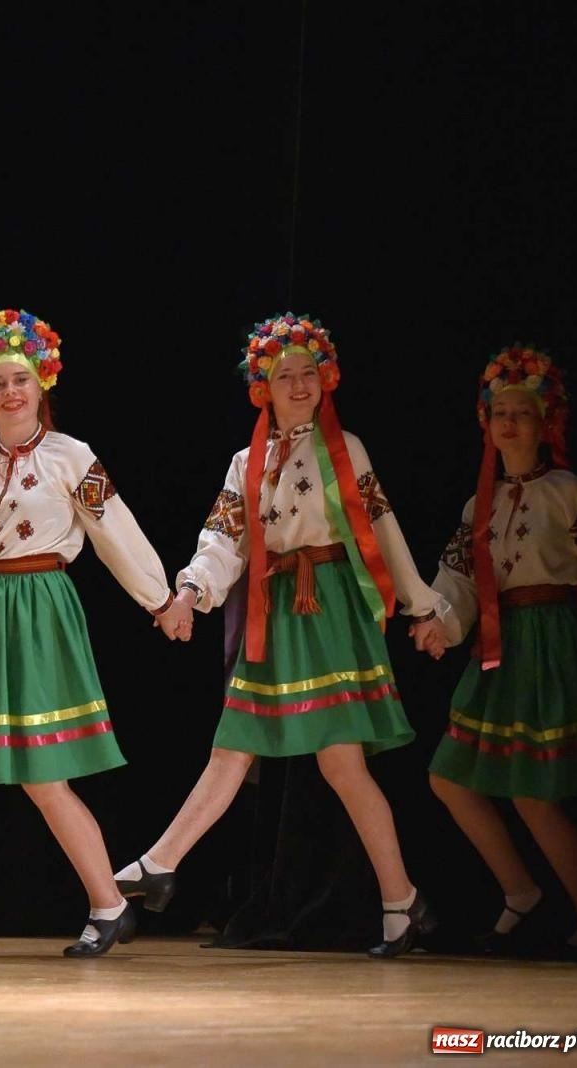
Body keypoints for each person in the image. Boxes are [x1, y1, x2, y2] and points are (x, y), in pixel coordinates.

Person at [115, 312, 448, 958]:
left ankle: (401, 901)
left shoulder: (345, 450)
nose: (296, 385)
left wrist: (423, 607)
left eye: (306, 374)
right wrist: (190, 593)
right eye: (282, 376)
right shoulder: (248, 461)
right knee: (236, 746)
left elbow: (381, 529)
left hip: (327, 614)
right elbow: (224, 539)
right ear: (262, 388)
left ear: (325, 380)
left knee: (342, 766)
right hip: (275, 616)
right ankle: (163, 861)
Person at [0, 309, 177, 957]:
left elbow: (116, 531)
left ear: (42, 384)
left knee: (42, 774)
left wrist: (160, 598)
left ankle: (107, 905)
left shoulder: (73, 458)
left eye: (22, 379)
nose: (11, 392)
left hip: (40, 610)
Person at [419, 346, 577, 956]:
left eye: (524, 412)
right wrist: (438, 622)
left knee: (533, 790)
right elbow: (460, 581)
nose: (512, 424)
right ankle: (520, 890)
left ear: (547, 422)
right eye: (501, 414)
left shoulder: (568, 491)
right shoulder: (482, 504)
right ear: (486, 423)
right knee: (449, 777)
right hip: (502, 646)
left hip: (551, 645)